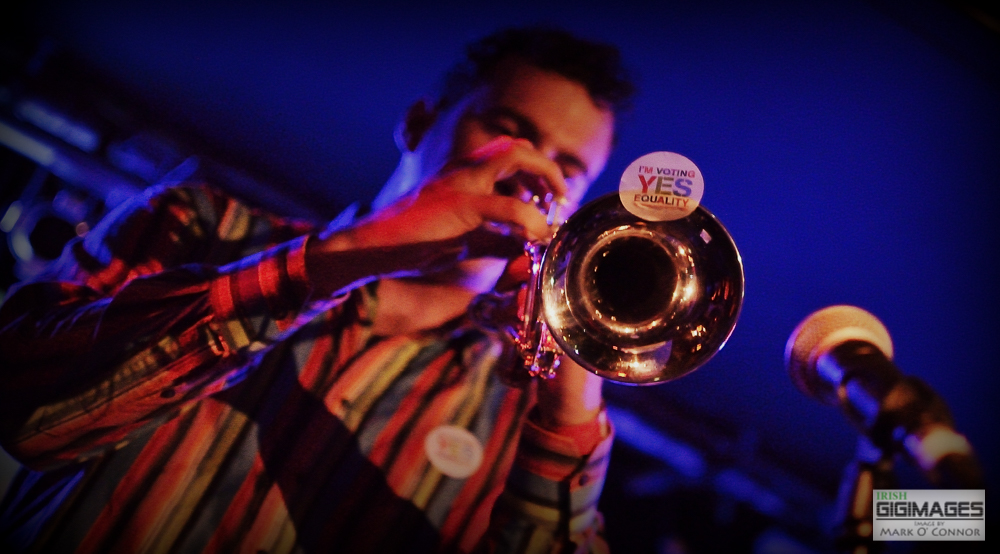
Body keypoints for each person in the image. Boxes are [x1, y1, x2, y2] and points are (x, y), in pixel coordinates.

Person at [0, 27, 634, 553]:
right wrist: (347, 255)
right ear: (419, 123)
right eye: (510, 131)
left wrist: (570, 417)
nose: (535, 176)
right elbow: (22, 407)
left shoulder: (522, 419)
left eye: (569, 168)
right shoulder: (195, 225)